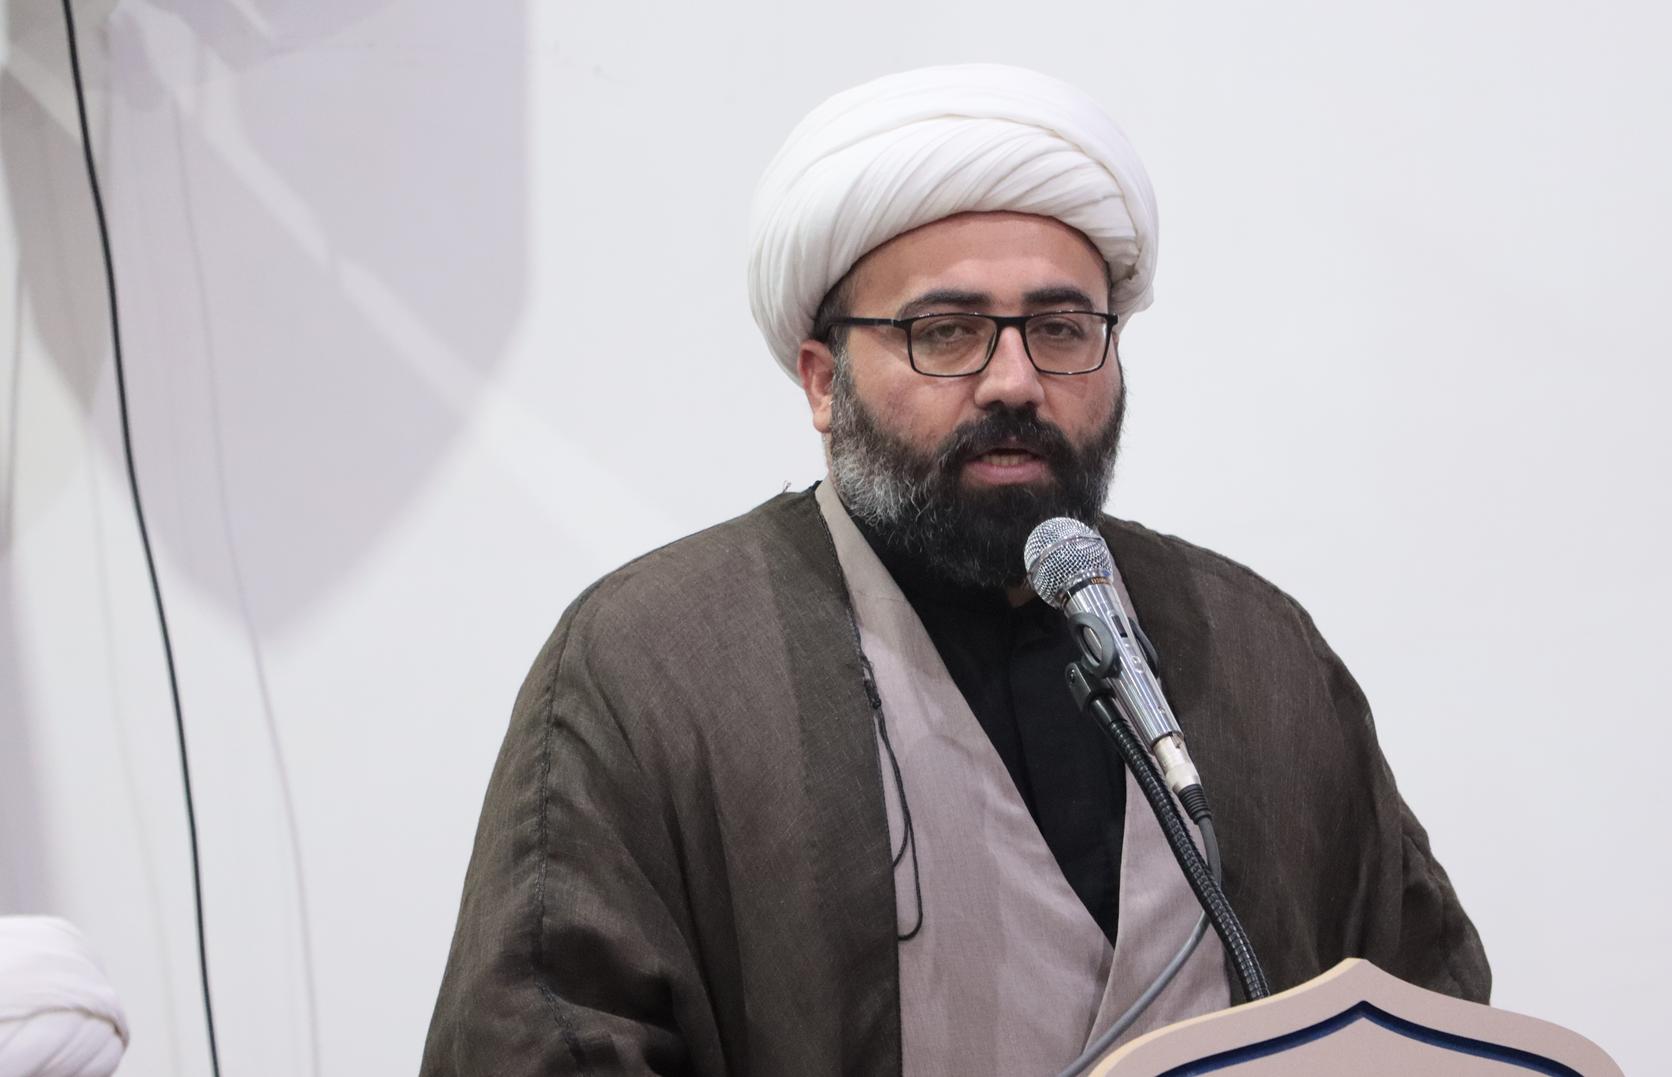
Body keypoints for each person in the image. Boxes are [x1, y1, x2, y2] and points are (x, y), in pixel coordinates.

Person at [421, 63, 1489, 1077]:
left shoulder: (1259, 653)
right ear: (823, 382)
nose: (1014, 380)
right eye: (946, 331)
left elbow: (1426, 1016)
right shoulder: (656, 669)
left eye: (1061, 327)